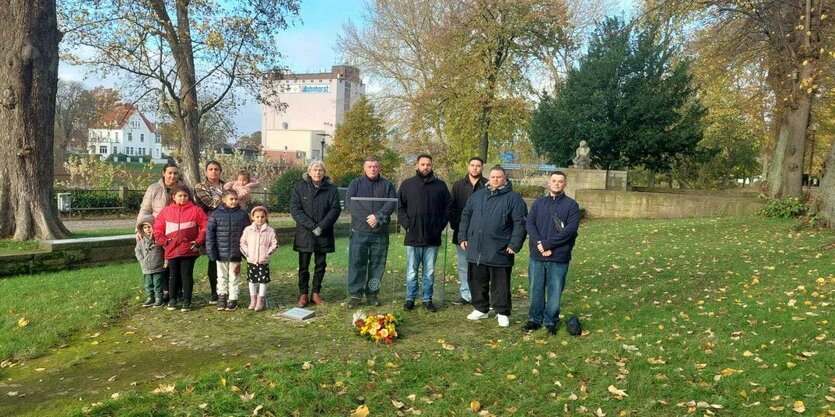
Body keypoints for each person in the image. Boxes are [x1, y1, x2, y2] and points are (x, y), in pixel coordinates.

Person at [458, 166, 527, 327]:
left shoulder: (514, 198)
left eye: (499, 177)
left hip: (500, 248)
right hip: (477, 247)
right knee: (476, 280)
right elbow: (466, 216)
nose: (495, 179)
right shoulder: (478, 196)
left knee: (500, 283)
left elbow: (520, 223)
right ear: (489, 178)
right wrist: (462, 236)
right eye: (493, 177)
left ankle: (502, 312)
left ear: (505, 179)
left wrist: (514, 244)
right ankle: (480, 309)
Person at [524, 171, 580, 334]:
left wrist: (548, 245)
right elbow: (530, 224)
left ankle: (550, 321)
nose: (556, 184)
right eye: (554, 181)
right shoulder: (539, 203)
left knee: (555, 290)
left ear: (565, 184)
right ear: (549, 183)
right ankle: (534, 319)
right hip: (537, 255)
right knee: (536, 289)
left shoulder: (571, 205)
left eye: (560, 181)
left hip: (559, 256)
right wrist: (540, 244)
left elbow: (569, 230)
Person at [397, 154, 452, 312]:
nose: (425, 167)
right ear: (417, 166)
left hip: (432, 236)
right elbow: (400, 207)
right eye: (422, 164)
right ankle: (410, 298)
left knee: (429, 271)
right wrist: (407, 225)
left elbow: (448, 207)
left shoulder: (440, 186)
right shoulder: (407, 185)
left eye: (428, 164)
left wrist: (440, 225)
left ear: (432, 166)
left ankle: (427, 299)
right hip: (413, 235)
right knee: (412, 271)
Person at [346, 157, 397, 308]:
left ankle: (373, 293)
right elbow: (351, 203)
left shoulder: (387, 185)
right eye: (369, 166)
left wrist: (378, 217)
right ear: (364, 168)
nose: (373, 169)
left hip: (380, 233)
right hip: (359, 231)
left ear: (379, 168)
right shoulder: (355, 184)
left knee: (377, 265)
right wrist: (368, 219)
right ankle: (355, 294)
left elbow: (392, 203)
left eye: (375, 166)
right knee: (357, 263)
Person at [289, 161, 341, 307]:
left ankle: (316, 293)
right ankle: (303, 294)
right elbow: (295, 209)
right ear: (309, 172)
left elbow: (335, 209)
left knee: (320, 265)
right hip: (305, 234)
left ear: (324, 172)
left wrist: (321, 227)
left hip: (324, 234)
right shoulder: (299, 187)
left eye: (320, 170)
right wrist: (312, 226)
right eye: (315, 170)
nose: (318, 173)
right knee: (303, 266)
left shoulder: (331, 189)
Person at [153, 185, 208, 312]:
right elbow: (157, 229)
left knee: (186, 275)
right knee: (173, 275)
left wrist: (198, 242)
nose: (183, 198)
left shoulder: (196, 210)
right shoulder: (166, 211)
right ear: (174, 197)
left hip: (189, 249)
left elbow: (205, 226)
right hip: (171, 249)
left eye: (185, 196)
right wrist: (164, 241)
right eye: (180, 196)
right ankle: (173, 299)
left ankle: (187, 300)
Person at [450, 157, 487, 306]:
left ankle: (480, 295)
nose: (475, 168)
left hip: (482, 234)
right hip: (462, 233)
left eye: (478, 166)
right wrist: (456, 225)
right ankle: (465, 294)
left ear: (482, 168)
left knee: (480, 266)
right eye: (472, 165)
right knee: (463, 265)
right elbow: (451, 207)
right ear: (468, 167)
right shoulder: (458, 185)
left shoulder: (487, 185)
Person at [206, 190, 250, 311]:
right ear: (224, 200)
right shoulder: (215, 215)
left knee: (234, 277)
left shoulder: (242, 214)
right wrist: (211, 252)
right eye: (231, 199)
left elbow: (247, 234)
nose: (234, 201)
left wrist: (246, 252)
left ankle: (233, 298)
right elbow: (210, 235)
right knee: (221, 277)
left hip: (236, 253)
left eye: (236, 199)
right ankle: (222, 296)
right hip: (220, 253)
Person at [194, 160, 226, 304]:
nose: (214, 172)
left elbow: (236, 202)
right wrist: (226, 201)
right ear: (206, 172)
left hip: (226, 227)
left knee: (225, 259)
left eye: (216, 169)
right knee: (213, 259)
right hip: (210, 226)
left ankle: (224, 290)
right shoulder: (200, 187)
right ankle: (214, 291)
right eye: (211, 169)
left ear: (220, 171)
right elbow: (209, 203)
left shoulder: (226, 186)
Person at [240, 206, 278, 311]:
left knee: (263, 280)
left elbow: (274, 244)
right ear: (252, 217)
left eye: (262, 217)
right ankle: (253, 299)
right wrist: (247, 253)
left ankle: (260, 299)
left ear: (266, 217)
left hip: (263, 260)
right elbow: (242, 242)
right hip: (251, 259)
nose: (260, 219)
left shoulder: (270, 231)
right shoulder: (248, 230)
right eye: (257, 217)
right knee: (252, 280)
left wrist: (267, 253)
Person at [134, 216, 166, 308]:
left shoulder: (158, 238)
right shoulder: (141, 239)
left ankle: (159, 298)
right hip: (146, 266)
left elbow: (165, 249)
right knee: (148, 284)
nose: (147, 229)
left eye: (149, 227)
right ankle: (150, 297)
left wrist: (166, 261)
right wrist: (141, 260)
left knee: (157, 284)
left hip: (158, 266)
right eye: (144, 227)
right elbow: (137, 250)